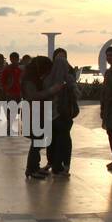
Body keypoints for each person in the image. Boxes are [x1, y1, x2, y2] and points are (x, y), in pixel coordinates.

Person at [21, 56, 63, 180]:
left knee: (38, 141)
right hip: (33, 112)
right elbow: (33, 96)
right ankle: (31, 169)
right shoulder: (29, 79)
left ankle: (35, 167)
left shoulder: (33, 77)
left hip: (37, 111)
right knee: (36, 141)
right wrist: (52, 90)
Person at [48, 48, 79, 176]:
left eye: (63, 58)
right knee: (52, 139)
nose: (61, 61)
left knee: (63, 139)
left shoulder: (69, 74)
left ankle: (63, 165)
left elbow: (76, 93)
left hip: (64, 111)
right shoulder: (49, 72)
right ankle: (53, 163)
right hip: (51, 112)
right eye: (58, 58)